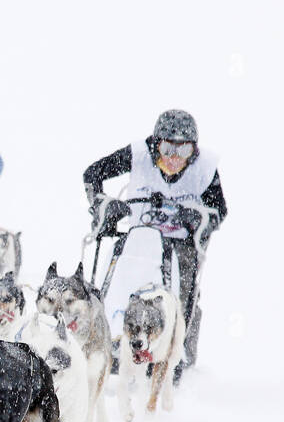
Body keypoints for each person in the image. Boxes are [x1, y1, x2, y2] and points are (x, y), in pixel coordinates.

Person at [82, 108, 228, 384]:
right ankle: (109, 336)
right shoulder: (138, 154)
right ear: (155, 144)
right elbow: (92, 174)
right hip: (140, 234)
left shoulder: (205, 168)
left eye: (183, 151)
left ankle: (177, 351)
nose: (174, 159)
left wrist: (200, 219)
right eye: (167, 149)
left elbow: (219, 210)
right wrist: (103, 203)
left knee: (181, 290)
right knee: (123, 281)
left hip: (181, 240)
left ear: (193, 151)